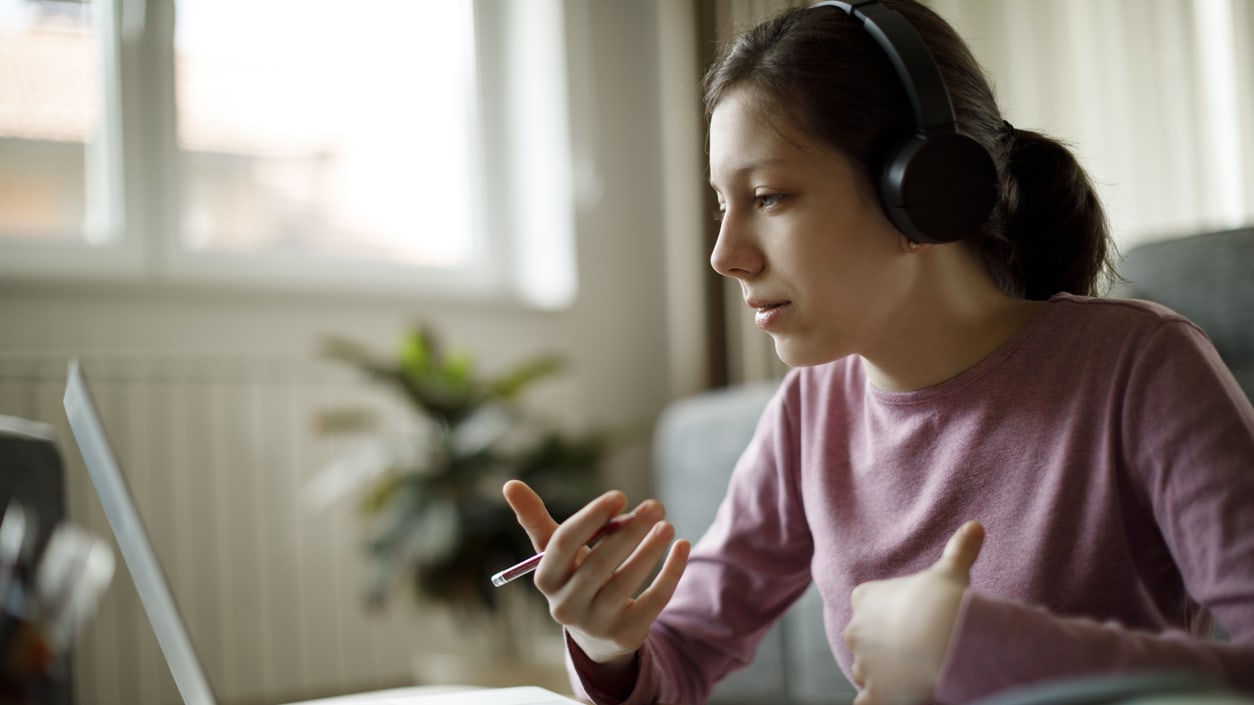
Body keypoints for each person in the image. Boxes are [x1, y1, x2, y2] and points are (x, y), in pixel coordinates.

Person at [503, 1, 1254, 704]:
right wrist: (609, 643)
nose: (724, 254)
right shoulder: (810, 411)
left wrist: (992, 647)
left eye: (767, 197)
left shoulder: (1139, 366)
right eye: (720, 205)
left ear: (922, 192)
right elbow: (686, 651)